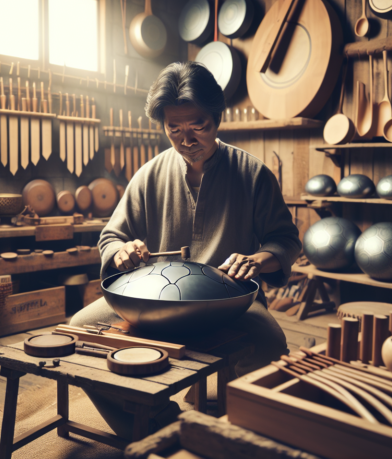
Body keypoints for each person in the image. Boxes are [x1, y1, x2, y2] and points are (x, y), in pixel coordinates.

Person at [69, 61, 301, 439]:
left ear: (218, 119)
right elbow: (110, 238)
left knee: (272, 346)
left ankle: (245, 437)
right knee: (77, 332)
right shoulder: (149, 175)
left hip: (230, 303)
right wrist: (121, 251)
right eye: (173, 129)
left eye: (198, 127)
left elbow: (286, 241)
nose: (186, 140)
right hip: (154, 305)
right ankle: (161, 428)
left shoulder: (252, 174)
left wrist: (258, 259)